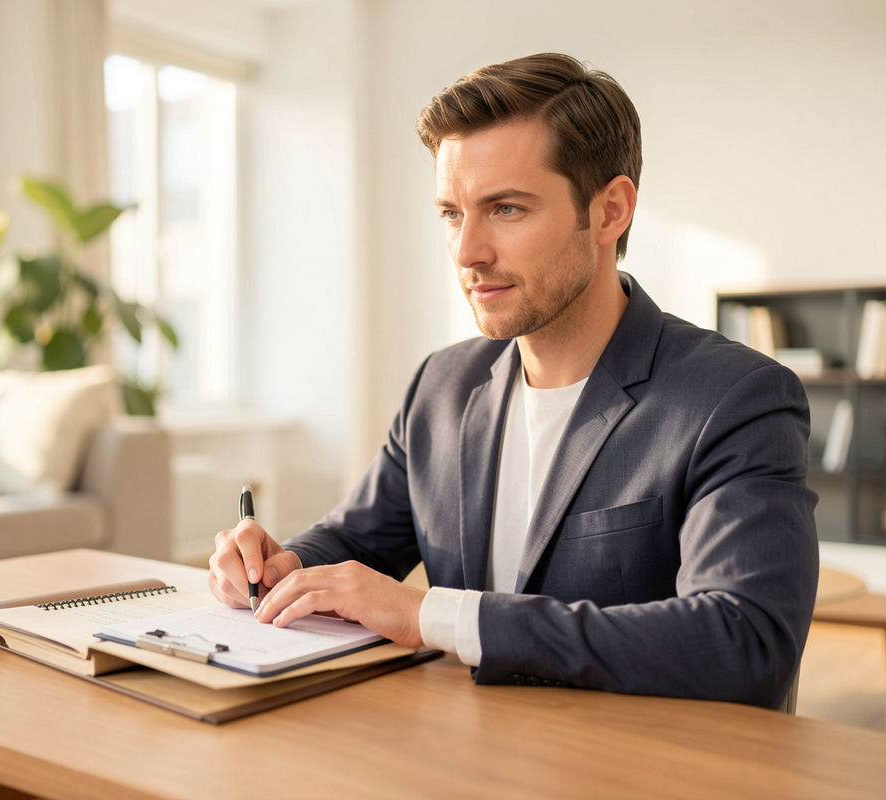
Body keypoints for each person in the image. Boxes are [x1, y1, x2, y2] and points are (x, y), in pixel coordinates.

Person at [208, 53, 818, 709]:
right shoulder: (442, 385)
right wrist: (283, 565)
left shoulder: (735, 398)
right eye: (451, 213)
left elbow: (744, 643)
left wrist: (430, 615)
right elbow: (355, 542)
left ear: (610, 210)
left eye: (505, 208)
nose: (468, 252)